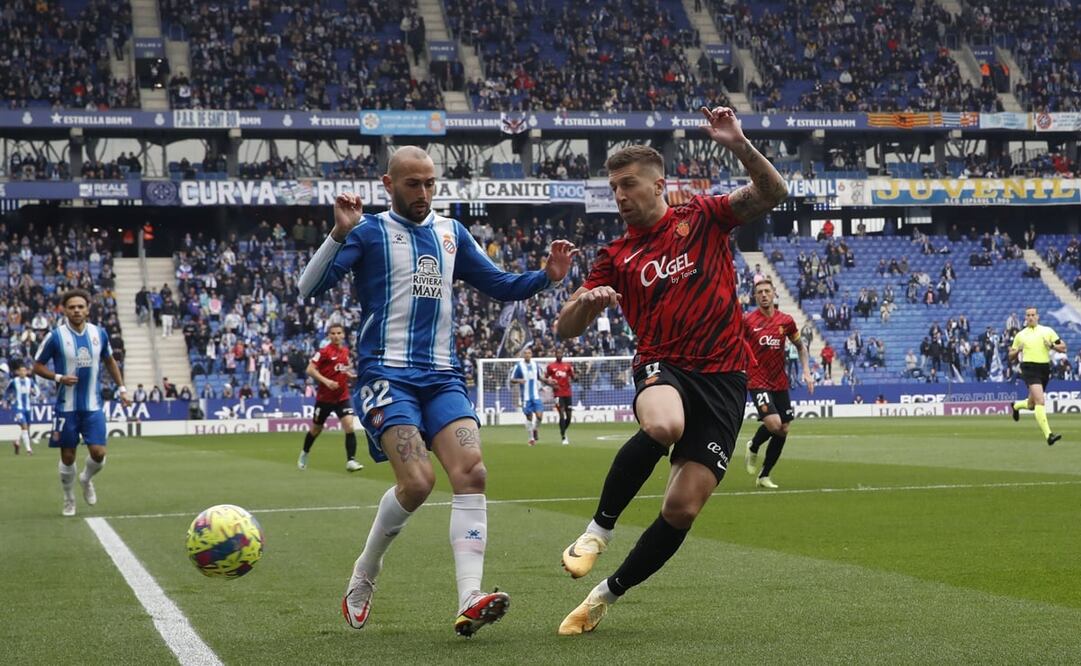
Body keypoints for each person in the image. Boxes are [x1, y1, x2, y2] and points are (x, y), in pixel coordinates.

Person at [296, 146, 576, 637]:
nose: (423, 193)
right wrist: (338, 232)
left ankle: (470, 596)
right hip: (388, 375)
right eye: (413, 184)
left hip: (443, 375)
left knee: (473, 473)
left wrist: (545, 278)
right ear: (389, 184)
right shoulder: (369, 232)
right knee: (419, 482)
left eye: (430, 183)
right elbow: (308, 288)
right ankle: (366, 572)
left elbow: (499, 283)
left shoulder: (451, 233)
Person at [553, 106, 788, 635]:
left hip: (726, 378)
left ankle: (602, 596)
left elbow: (773, 193)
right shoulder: (616, 253)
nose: (619, 195)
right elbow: (566, 327)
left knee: (682, 509)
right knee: (663, 426)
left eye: (628, 184)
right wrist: (587, 303)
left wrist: (739, 144)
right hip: (664, 365)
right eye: (613, 186)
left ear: (659, 184)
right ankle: (596, 532)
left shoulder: (703, 215)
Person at [33, 289, 131, 516]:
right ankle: (69, 499)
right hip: (65, 407)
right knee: (68, 457)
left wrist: (122, 388)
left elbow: (109, 361)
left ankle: (86, 479)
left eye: (80, 307)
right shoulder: (55, 336)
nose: (76, 310)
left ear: (87, 309)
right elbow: (37, 366)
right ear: (64, 310)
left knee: (99, 453)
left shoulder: (100, 334)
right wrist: (59, 378)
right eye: (71, 307)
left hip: (92, 406)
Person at [743, 279, 813, 489]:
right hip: (757, 380)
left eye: (767, 291)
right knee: (773, 424)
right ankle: (753, 445)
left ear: (774, 294)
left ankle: (764, 475)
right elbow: (735, 345)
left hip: (779, 381)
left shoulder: (786, 321)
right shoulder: (747, 321)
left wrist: (807, 372)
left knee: (783, 429)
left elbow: (801, 347)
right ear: (755, 297)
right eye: (759, 292)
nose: (764, 294)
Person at [297, 323, 364, 472]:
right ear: (328, 335)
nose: (336, 336)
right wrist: (326, 381)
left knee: (349, 426)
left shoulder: (345, 351)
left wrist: (350, 375)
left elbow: (342, 369)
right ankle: (304, 453)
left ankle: (350, 461)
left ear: (343, 335)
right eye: (333, 333)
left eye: (339, 333)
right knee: (316, 429)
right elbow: (310, 369)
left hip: (342, 396)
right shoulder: (324, 352)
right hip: (324, 399)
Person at [1008, 307, 1064, 445]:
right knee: (1040, 400)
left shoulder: (1047, 331)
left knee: (1032, 404)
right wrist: (1018, 350)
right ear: (1025, 318)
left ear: (1037, 317)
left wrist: (1051, 345)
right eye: (1028, 315)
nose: (1031, 317)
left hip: (1044, 369)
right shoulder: (1020, 335)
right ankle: (1049, 435)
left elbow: (1063, 347)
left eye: (1033, 315)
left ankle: (1015, 406)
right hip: (1029, 368)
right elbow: (1010, 356)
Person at [510, 347, 544, 446]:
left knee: (539, 416)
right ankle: (531, 439)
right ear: (523, 355)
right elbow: (512, 379)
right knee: (529, 417)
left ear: (531, 354)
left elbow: (540, 377)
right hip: (526, 397)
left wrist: (548, 381)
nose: (527, 355)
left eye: (529, 353)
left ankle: (535, 429)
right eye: (525, 353)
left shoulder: (535, 365)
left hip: (536, 396)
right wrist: (519, 380)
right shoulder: (519, 366)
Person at [544, 348, 576, 445]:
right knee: (561, 414)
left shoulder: (567, 366)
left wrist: (574, 376)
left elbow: (573, 377)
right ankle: (563, 437)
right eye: (557, 353)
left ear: (562, 354)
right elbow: (545, 379)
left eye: (560, 353)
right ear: (555, 354)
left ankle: (562, 431)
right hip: (558, 394)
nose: (559, 354)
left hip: (568, 393)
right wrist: (552, 384)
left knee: (569, 417)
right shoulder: (551, 366)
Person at [6, 365, 37, 455]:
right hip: (18, 408)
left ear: (27, 372)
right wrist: (5, 400)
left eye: (24, 370)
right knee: (24, 426)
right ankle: (29, 450)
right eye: (21, 371)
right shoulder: (14, 381)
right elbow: (7, 391)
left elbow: (36, 391)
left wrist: (33, 393)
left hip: (27, 408)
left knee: (27, 428)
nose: (23, 372)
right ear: (18, 372)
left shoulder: (30, 381)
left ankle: (17, 442)